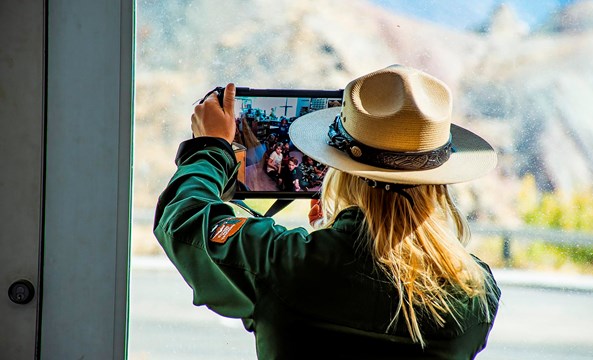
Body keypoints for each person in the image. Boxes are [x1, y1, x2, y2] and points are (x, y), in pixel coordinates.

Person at [154, 64, 501, 359]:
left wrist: (211, 147)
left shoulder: (288, 265)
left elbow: (184, 218)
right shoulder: (477, 293)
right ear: (438, 180)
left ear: (338, 170)